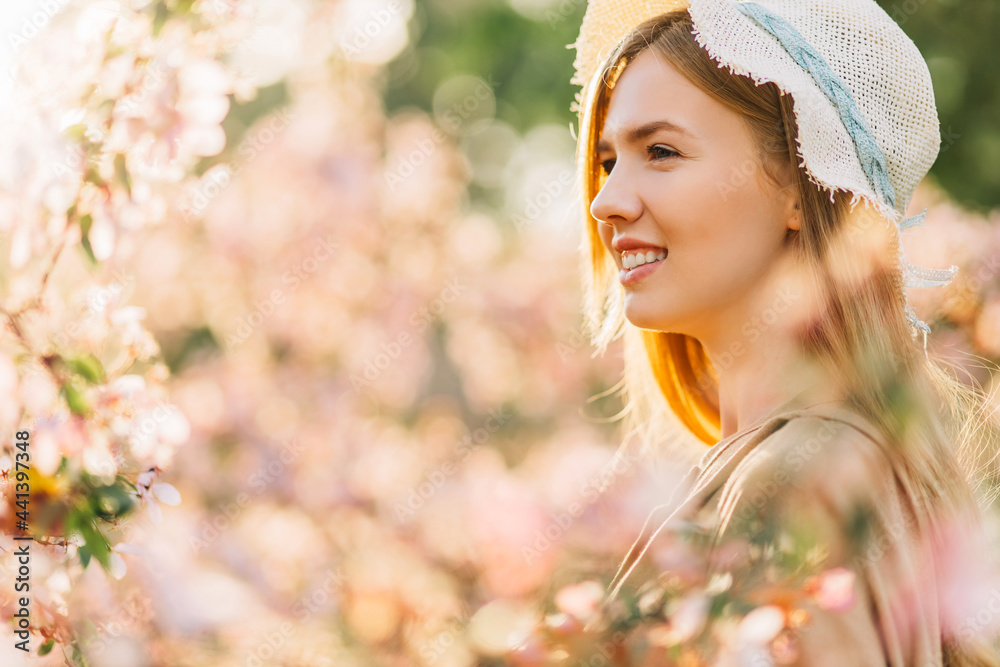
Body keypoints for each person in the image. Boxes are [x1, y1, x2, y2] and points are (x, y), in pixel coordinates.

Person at [510, 1, 1000, 665]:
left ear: (800, 187)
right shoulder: (810, 458)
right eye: (606, 162)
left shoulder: (797, 477)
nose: (605, 201)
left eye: (660, 151)